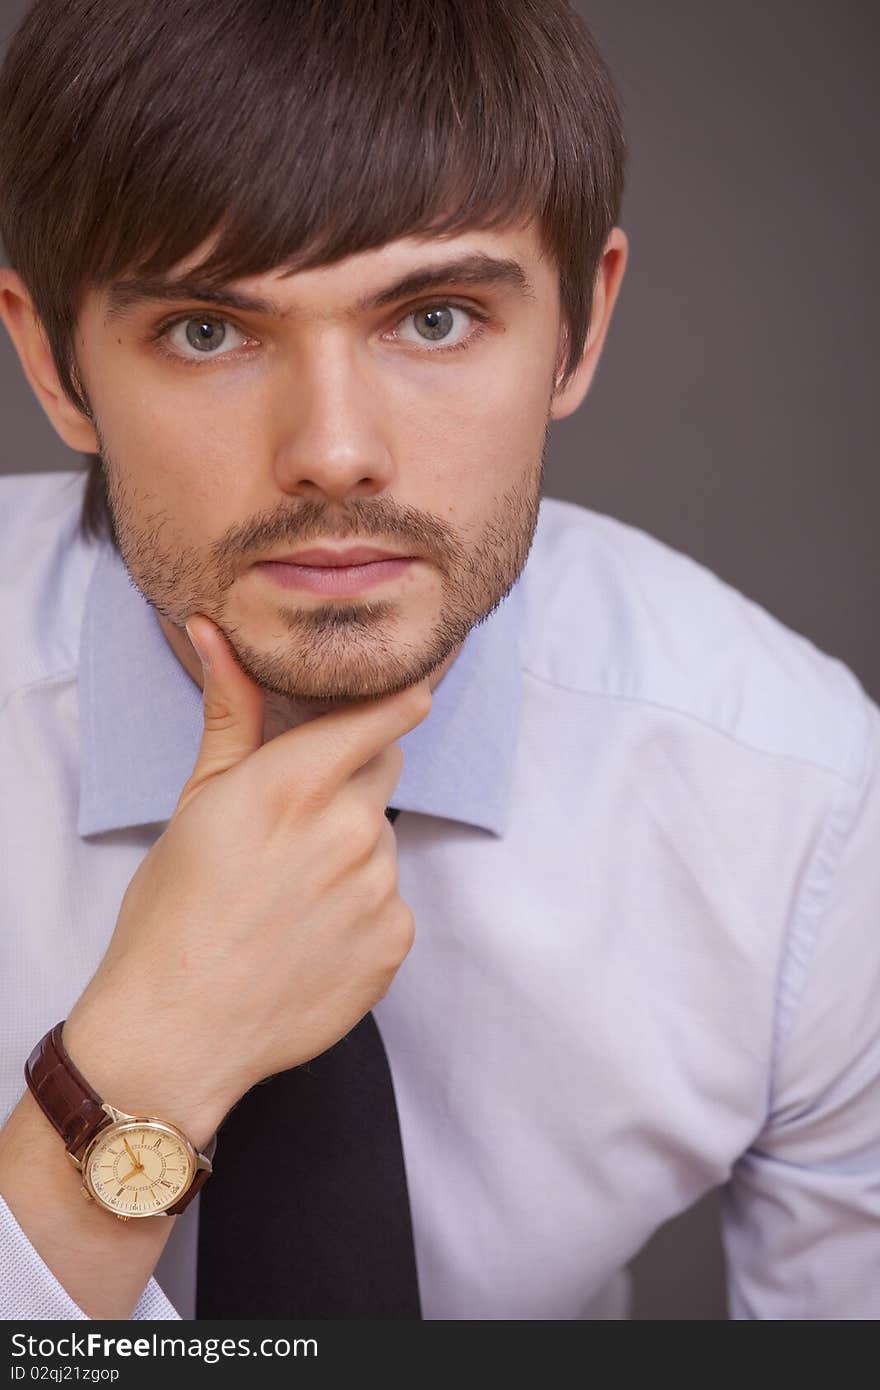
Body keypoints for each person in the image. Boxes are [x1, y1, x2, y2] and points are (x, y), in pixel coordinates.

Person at [0, 0, 877, 1324]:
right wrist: (138, 1071)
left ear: (579, 328)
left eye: (436, 319)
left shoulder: (804, 814)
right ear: (55, 364)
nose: (336, 450)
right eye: (204, 330)